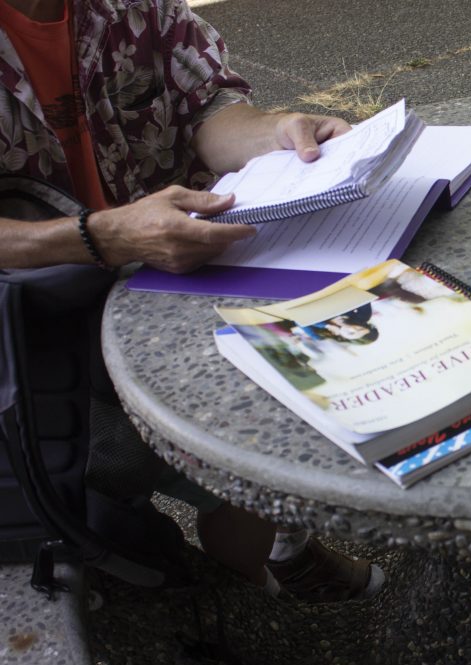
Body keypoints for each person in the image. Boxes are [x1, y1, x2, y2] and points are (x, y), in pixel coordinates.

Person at [0, 0, 382, 602]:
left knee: (255, 435)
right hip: (38, 326)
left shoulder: (133, 8)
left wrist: (277, 134)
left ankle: (265, 569)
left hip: (179, 273)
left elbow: (208, 107)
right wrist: (100, 236)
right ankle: (217, 602)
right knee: (113, 481)